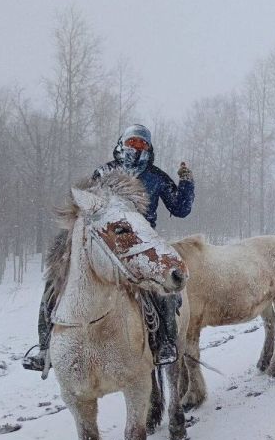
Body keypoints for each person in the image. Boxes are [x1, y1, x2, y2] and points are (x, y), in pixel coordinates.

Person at [23, 124, 195, 376]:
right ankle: (46, 348)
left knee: (164, 288)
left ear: (148, 149)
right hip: (108, 241)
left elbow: (181, 208)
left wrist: (187, 182)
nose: (136, 149)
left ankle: (165, 342)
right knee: (54, 282)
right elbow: (88, 207)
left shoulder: (156, 176)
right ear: (121, 144)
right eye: (132, 143)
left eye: (141, 145)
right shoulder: (104, 172)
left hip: (142, 243)